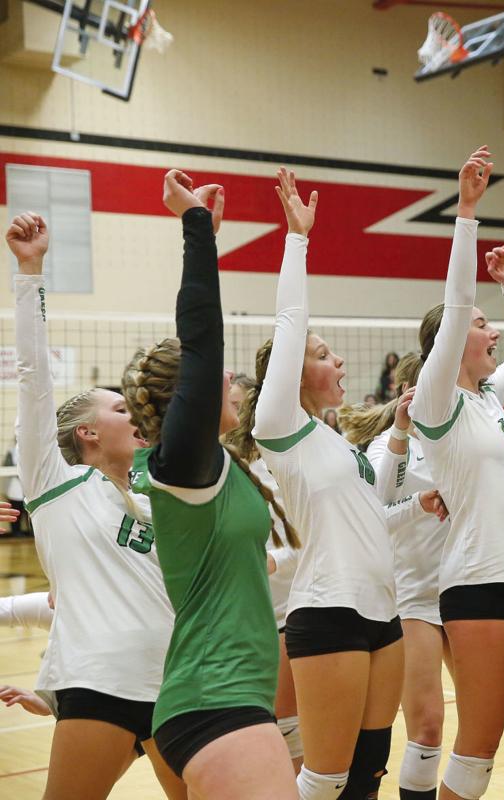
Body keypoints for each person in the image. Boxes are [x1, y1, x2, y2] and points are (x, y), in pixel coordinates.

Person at [122, 171, 299, 797]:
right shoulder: (184, 464)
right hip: (214, 698)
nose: (229, 375)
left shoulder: (214, 467)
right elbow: (202, 341)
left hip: (229, 696)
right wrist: (197, 228)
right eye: (215, 375)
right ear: (187, 401)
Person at [8, 211, 186, 800]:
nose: (134, 414)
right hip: (103, 687)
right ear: (85, 432)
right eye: (118, 409)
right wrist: (30, 271)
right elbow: (34, 379)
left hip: (179, 685)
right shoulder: (55, 484)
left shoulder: (155, 497)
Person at [239, 169, 406, 800]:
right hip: (328, 612)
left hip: (382, 611)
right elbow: (291, 318)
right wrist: (297, 241)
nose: (338, 361)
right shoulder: (280, 426)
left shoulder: (337, 442)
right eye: (323, 353)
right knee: (324, 780)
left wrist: (414, 498)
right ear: (291, 374)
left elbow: (368, 523)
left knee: (365, 779)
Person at [409, 147, 504, 800]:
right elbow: (457, 299)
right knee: (478, 750)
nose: (490, 330)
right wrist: (466, 213)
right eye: (478, 325)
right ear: (448, 341)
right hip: (476, 584)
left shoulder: (487, 400)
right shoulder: (434, 400)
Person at [339, 351, 454, 800]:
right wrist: (417, 503)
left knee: (485, 727)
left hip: (465, 589)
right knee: (427, 726)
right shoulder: (387, 444)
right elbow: (373, 515)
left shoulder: (461, 435)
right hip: (413, 596)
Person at [227, 372, 305, 774]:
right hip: (254, 612)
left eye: (241, 404)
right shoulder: (219, 467)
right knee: (268, 723)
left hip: (295, 605)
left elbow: (311, 533)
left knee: (289, 722)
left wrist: (278, 559)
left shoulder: (278, 461)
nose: (234, 412)